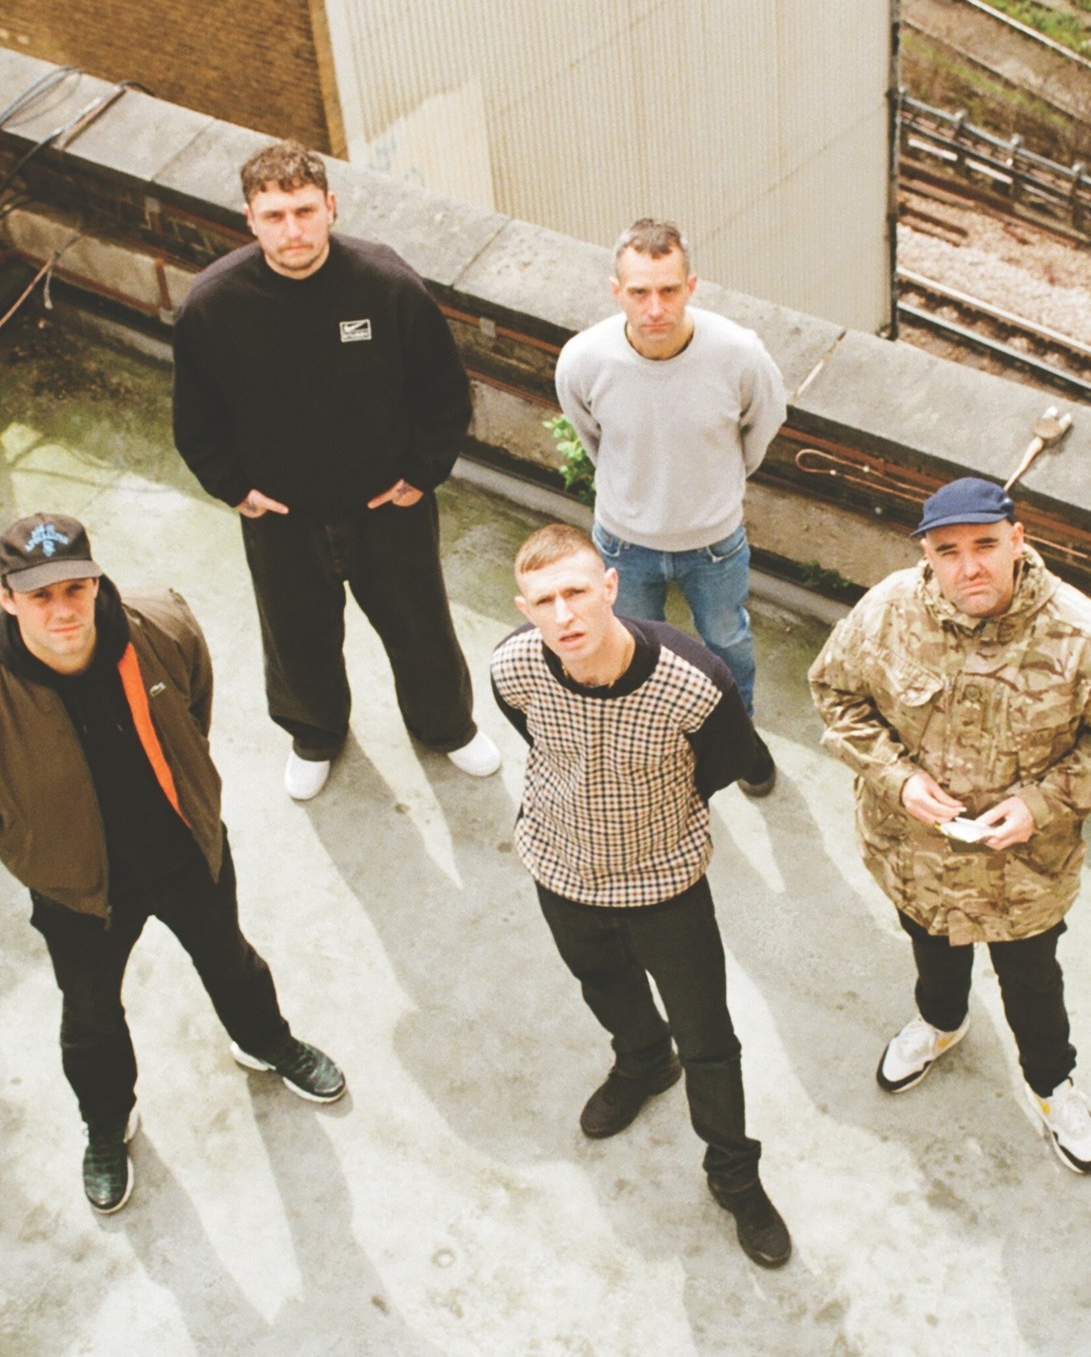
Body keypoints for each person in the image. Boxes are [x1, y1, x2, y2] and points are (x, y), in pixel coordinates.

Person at [0, 513, 347, 1214]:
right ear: (6, 598)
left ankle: (266, 1041)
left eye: (75, 588)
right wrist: (46, 848)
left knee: (231, 959)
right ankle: (108, 1124)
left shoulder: (160, 627)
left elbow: (193, 709)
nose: (62, 610)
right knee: (90, 1016)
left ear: (96, 581)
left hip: (186, 852)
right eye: (39, 596)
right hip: (81, 891)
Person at [808, 479, 1091, 1174]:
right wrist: (898, 778)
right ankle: (941, 1022)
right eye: (949, 551)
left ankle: (1052, 1084)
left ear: (1018, 542)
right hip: (914, 856)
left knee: (1032, 983)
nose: (970, 566)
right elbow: (835, 694)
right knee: (931, 948)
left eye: (986, 545)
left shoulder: (1082, 634)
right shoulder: (888, 612)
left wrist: (1041, 804)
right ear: (927, 556)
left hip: (1023, 873)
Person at [491, 522, 791, 1267]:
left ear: (611, 587)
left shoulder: (694, 682)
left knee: (708, 1037)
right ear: (525, 609)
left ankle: (733, 1171)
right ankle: (644, 1060)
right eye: (544, 601)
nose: (564, 615)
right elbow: (534, 736)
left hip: (664, 882)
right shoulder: (514, 667)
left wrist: (648, 823)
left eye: (576, 592)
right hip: (561, 867)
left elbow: (722, 765)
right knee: (603, 981)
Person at [171, 139, 501, 801]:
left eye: (304, 211)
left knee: (421, 628)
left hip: (389, 510)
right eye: (274, 216)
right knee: (296, 637)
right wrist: (234, 490)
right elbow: (196, 418)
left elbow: (444, 393)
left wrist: (421, 476)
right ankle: (314, 735)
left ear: (331, 206)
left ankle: (447, 726)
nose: (292, 229)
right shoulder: (213, 305)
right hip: (282, 518)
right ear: (250, 219)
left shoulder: (387, 286)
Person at [554, 218, 788, 795]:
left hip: (715, 544)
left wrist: (717, 488)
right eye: (639, 292)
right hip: (623, 544)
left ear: (692, 286)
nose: (655, 308)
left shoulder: (738, 354)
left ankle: (738, 738)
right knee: (634, 649)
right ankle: (662, 739)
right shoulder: (584, 360)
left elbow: (761, 428)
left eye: (668, 290)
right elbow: (592, 437)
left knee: (727, 643)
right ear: (616, 291)